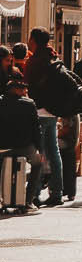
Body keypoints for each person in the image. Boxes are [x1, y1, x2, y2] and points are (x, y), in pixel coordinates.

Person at [23, 27, 65, 208]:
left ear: (34, 40)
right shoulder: (53, 58)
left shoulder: (35, 61)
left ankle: (35, 192)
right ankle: (57, 193)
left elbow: (27, 85)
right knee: (53, 153)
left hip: (38, 112)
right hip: (52, 112)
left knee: (38, 154)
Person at [0, 70, 41, 211]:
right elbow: (36, 130)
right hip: (24, 147)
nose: (26, 92)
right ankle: (28, 201)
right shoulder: (29, 104)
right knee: (37, 164)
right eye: (24, 89)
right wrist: (40, 149)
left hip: (2, 148)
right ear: (18, 90)